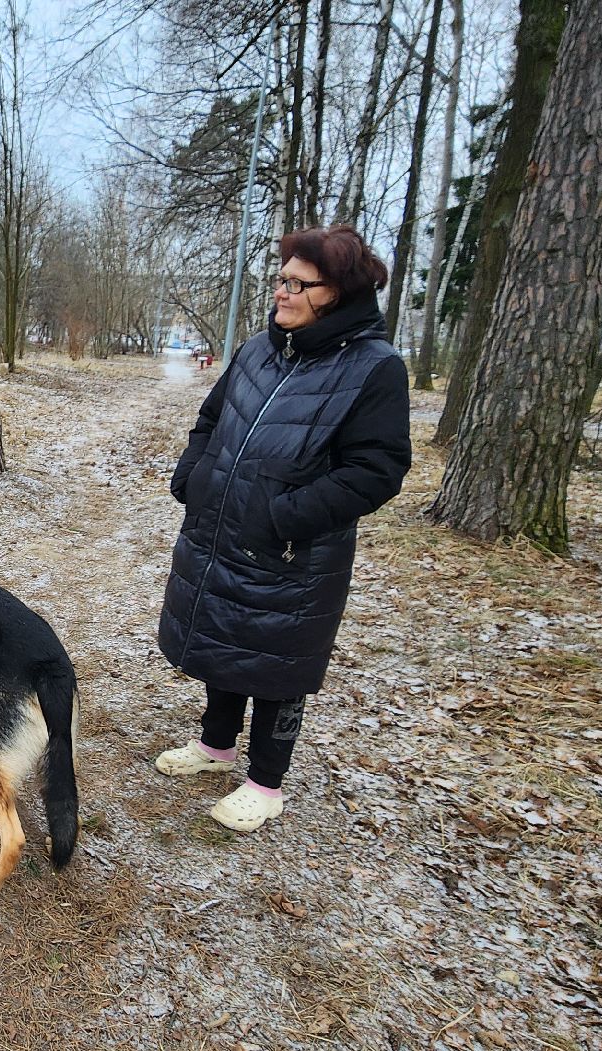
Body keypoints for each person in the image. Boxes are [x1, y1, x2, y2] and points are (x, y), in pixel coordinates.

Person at [156, 225, 412, 832]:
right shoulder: (259, 350)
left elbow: (377, 469)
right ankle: (216, 747)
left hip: (293, 551)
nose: (283, 293)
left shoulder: (375, 369)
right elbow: (211, 418)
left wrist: (285, 516)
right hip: (220, 528)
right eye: (281, 279)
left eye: (300, 284)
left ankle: (266, 782)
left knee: (275, 658)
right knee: (225, 637)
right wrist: (192, 476)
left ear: (339, 293)